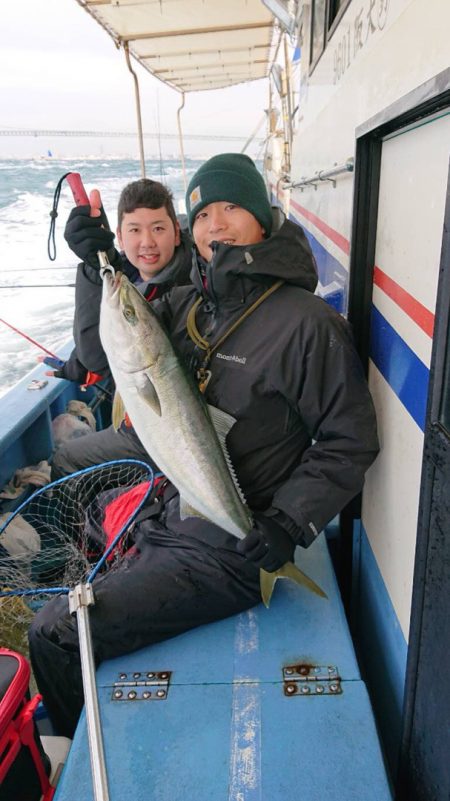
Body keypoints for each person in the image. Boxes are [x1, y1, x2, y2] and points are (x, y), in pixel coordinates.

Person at [29, 153, 379, 738]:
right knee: (90, 522)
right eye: (202, 212)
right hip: (174, 506)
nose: (215, 223)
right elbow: (99, 353)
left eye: (231, 206)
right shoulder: (191, 302)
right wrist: (97, 268)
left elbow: (349, 440)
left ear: (264, 217)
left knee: (56, 631)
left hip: (230, 552)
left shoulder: (307, 324)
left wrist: (288, 525)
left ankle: (65, 753)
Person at [48, 178, 192, 480]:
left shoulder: (193, 281)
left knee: (64, 459)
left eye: (158, 228)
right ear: (120, 239)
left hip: (172, 430)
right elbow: (96, 358)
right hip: (139, 417)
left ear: (177, 234)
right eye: (135, 230)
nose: (147, 242)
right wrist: (93, 267)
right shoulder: (123, 281)